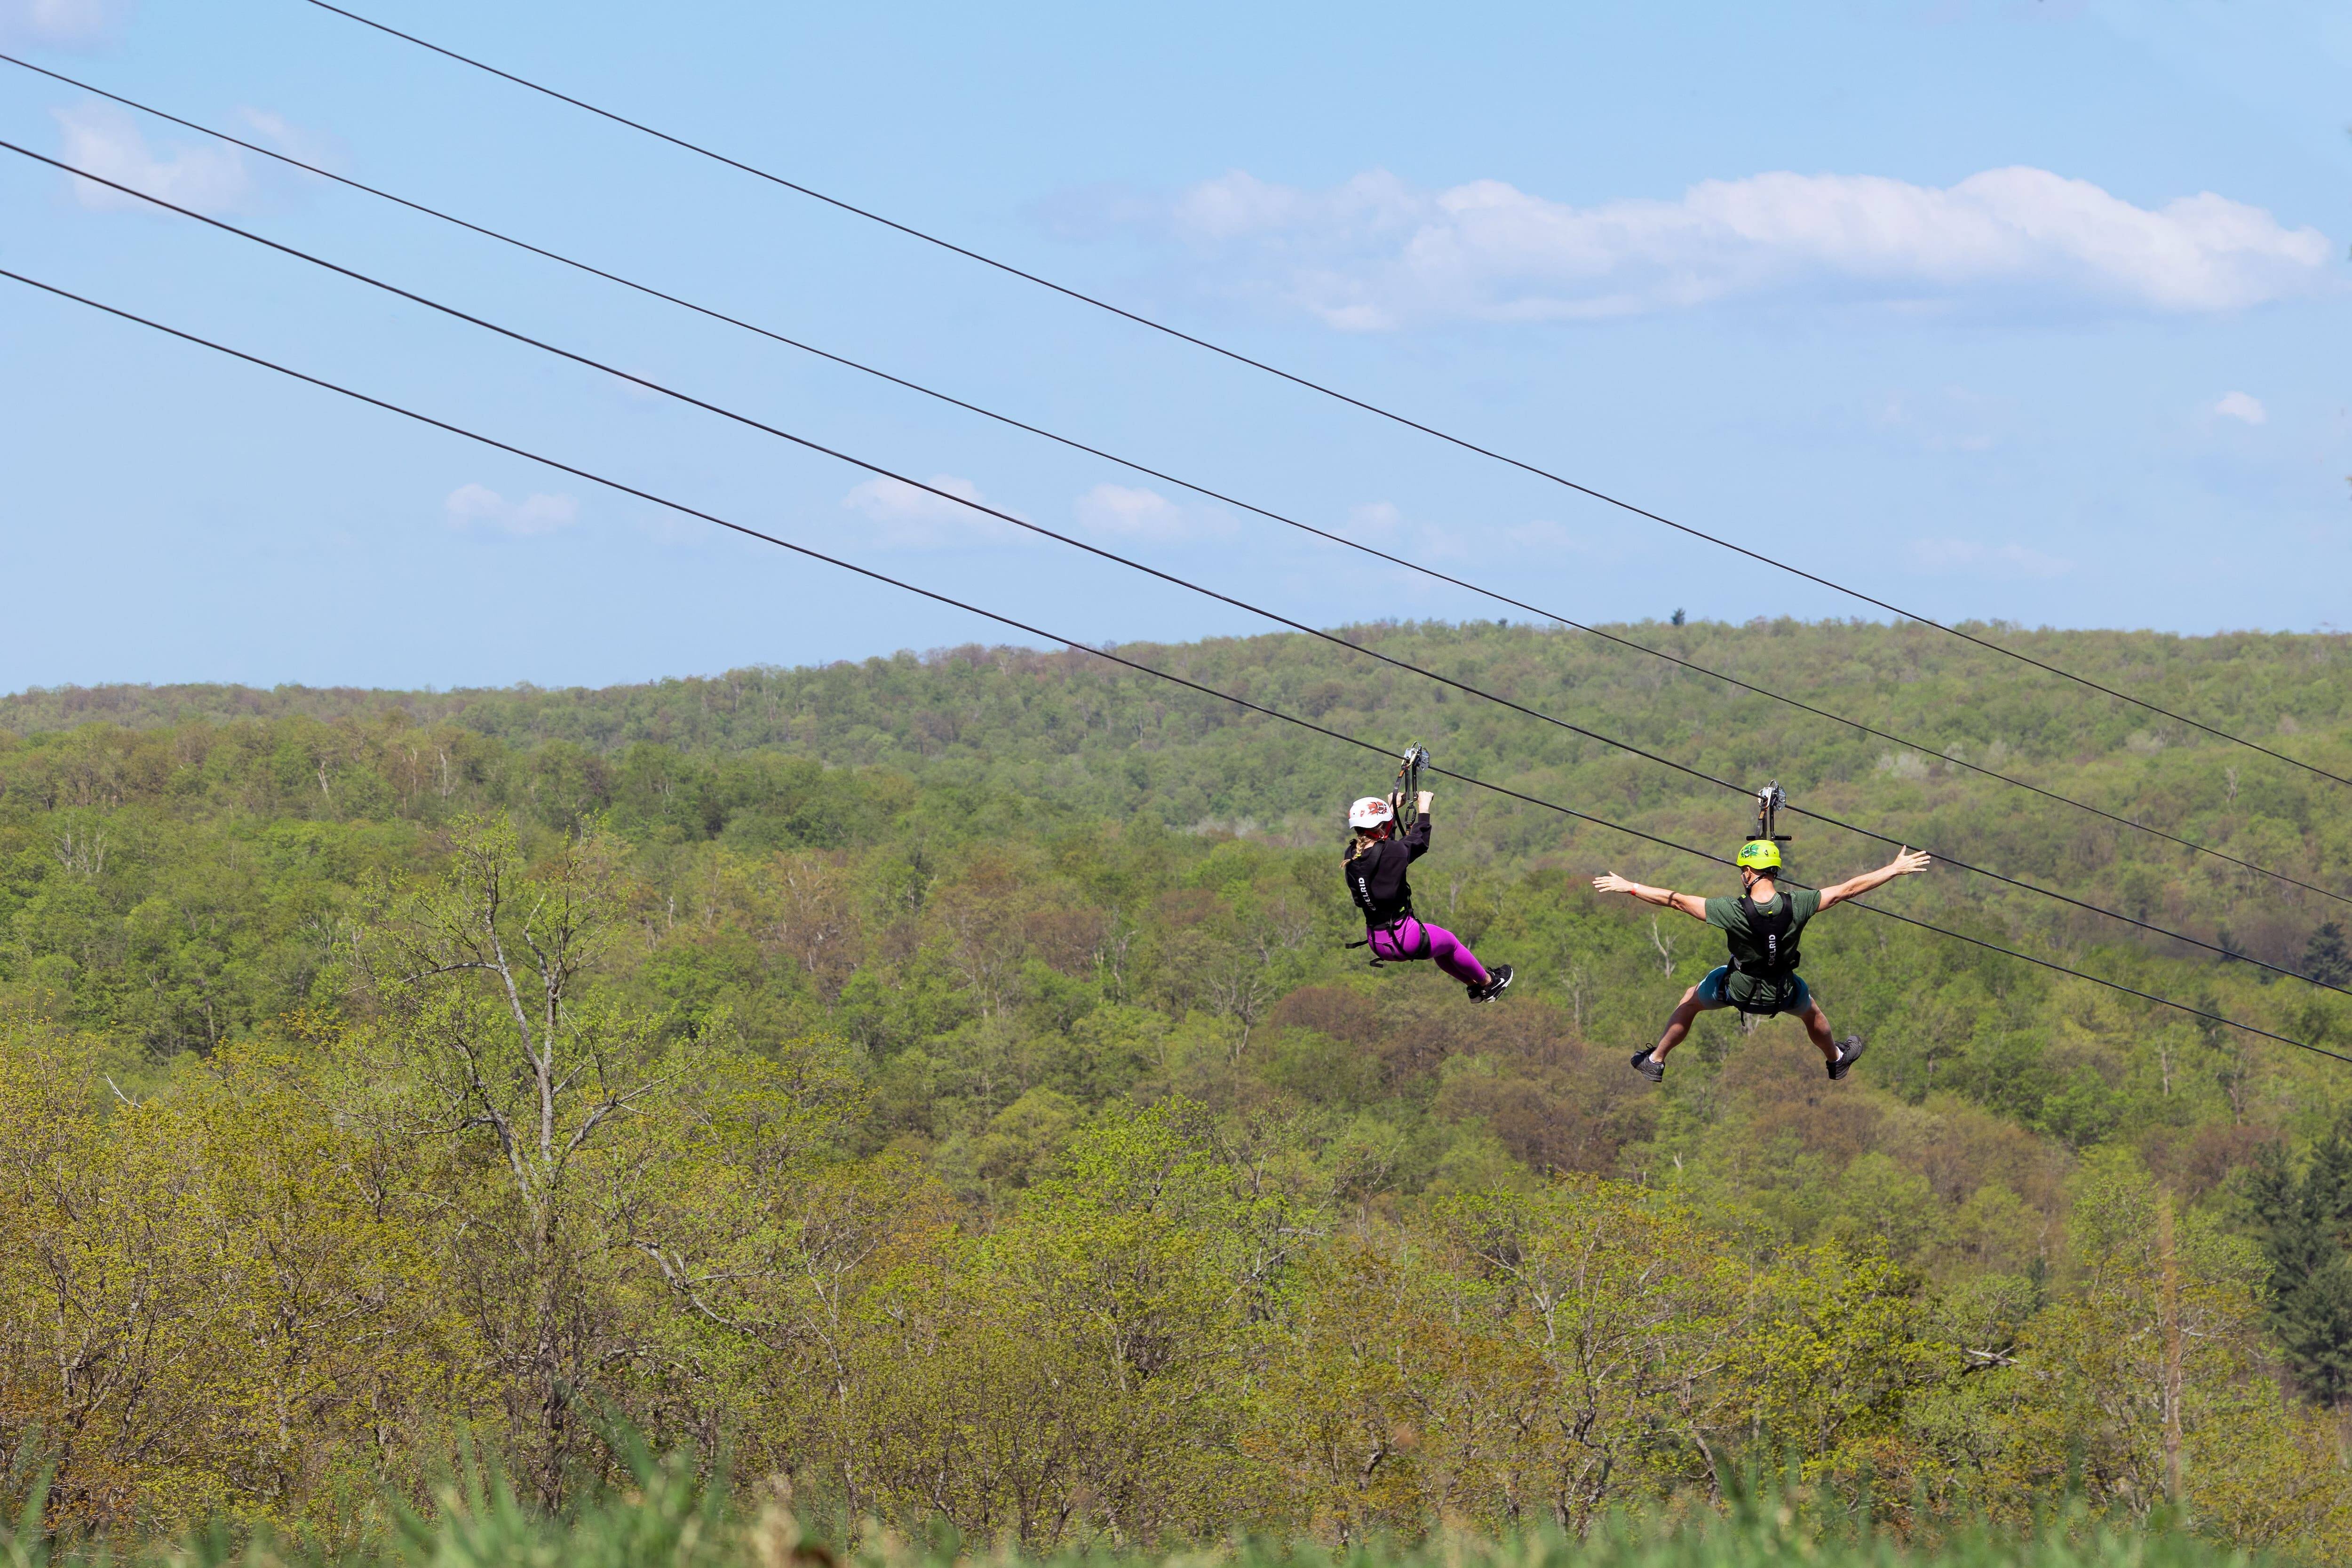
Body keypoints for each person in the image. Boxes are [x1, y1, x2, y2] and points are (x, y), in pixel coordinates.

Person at [1591, 839, 1931, 1082]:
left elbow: (1676, 901)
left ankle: (1655, 1060)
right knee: (1811, 1010)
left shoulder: (1731, 910)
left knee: (1691, 999)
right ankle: (1837, 1059)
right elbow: (1848, 889)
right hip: (1782, 991)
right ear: (1775, 872)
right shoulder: (1800, 904)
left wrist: (1629, 886)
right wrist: (1894, 869)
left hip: (1736, 990)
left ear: (1749, 872)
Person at [1346, 790, 1513, 1002]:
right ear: (1383, 827)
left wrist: (1391, 809)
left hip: (1378, 941)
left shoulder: (1352, 856)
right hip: (1405, 936)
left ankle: (1473, 987)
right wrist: (1424, 809)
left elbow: (1383, 852)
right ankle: (1490, 982)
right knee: (1450, 943)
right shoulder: (1392, 853)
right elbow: (1419, 842)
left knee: (1440, 949)